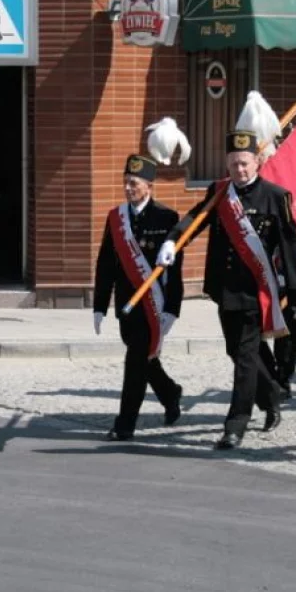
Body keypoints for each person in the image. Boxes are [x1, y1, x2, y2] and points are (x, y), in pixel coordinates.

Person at [156, 129, 296, 450]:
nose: (240, 169)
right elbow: (196, 218)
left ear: (258, 162)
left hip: (257, 289)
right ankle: (272, 396)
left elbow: (290, 245)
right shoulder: (220, 192)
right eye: (234, 164)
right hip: (226, 288)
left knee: (247, 356)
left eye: (245, 163)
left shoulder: (276, 197)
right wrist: (172, 240)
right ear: (227, 164)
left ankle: (236, 423)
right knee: (236, 350)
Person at [93, 153, 184, 441]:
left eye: (134, 183)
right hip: (127, 304)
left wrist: (172, 308)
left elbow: (175, 270)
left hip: (153, 305)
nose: (129, 188)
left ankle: (125, 424)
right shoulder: (116, 218)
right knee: (145, 359)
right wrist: (99, 306)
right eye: (126, 183)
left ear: (149, 185)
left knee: (135, 363)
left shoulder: (167, 218)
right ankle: (170, 392)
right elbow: (106, 263)